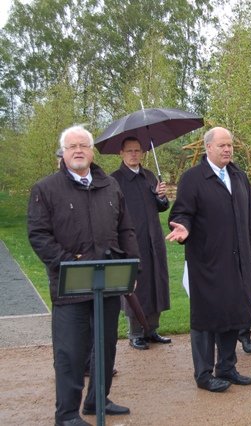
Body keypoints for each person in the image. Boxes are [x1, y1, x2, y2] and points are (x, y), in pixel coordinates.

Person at [28, 125, 138, 425]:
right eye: (72, 146)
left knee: (105, 348)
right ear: (63, 153)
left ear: (92, 152)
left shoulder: (110, 186)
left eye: (84, 146)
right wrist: (68, 263)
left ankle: (96, 401)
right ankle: (66, 415)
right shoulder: (46, 189)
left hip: (109, 282)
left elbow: (125, 229)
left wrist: (132, 266)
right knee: (71, 354)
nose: (78, 151)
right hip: (70, 287)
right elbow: (39, 236)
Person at [166, 127, 251, 393]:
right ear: (208, 148)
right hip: (207, 262)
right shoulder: (193, 178)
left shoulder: (238, 176)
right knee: (206, 319)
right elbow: (182, 212)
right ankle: (204, 374)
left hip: (238, 261)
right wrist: (183, 228)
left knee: (233, 314)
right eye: (222, 146)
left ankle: (227, 367)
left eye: (230, 145)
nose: (227, 150)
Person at [111, 137, 171, 350]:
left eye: (138, 150)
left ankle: (151, 329)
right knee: (136, 286)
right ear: (121, 153)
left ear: (143, 153)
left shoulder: (149, 176)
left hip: (153, 238)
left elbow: (160, 207)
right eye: (130, 151)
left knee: (156, 283)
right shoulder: (115, 180)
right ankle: (136, 332)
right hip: (130, 241)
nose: (134, 154)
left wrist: (162, 197)